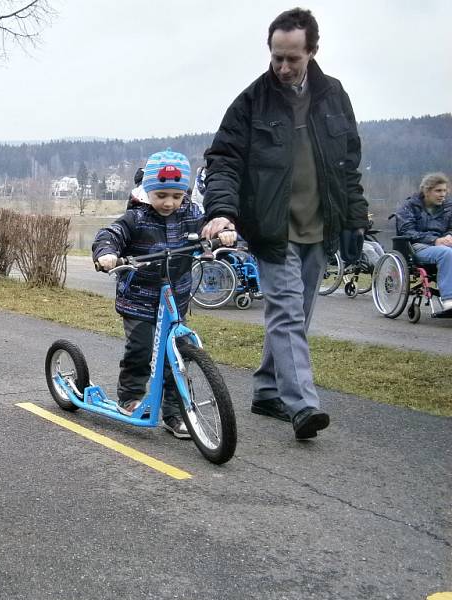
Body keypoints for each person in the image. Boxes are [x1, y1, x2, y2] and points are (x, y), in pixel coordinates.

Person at [200, 8, 369, 440]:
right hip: (272, 229)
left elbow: (347, 163)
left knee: (298, 316)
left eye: (293, 58)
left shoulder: (334, 95)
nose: (283, 67)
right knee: (287, 314)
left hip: (319, 225)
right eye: (277, 57)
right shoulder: (252, 101)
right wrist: (222, 211)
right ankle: (303, 405)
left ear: (312, 51)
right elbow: (223, 161)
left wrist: (354, 218)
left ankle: (267, 390)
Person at [93, 149, 206, 439]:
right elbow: (111, 234)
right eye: (161, 195)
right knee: (141, 350)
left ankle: (174, 412)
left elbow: (209, 227)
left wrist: (226, 230)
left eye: (176, 196)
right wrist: (107, 253)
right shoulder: (137, 218)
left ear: (185, 194)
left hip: (175, 300)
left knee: (176, 357)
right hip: (139, 301)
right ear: (148, 191)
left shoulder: (192, 214)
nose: (169, 203)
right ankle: (130, 397)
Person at [395, 172, 452, 312]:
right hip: (418, 247)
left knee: (446, 251)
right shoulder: (409, 206)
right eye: (438, 190)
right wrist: (435, 240)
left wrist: (449, 236)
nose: (443, 194)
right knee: (446, 253)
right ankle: (449, 300)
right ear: (426, 191)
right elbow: (407, 231)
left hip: (444, 244)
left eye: (445, 190)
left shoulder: (448, 207)